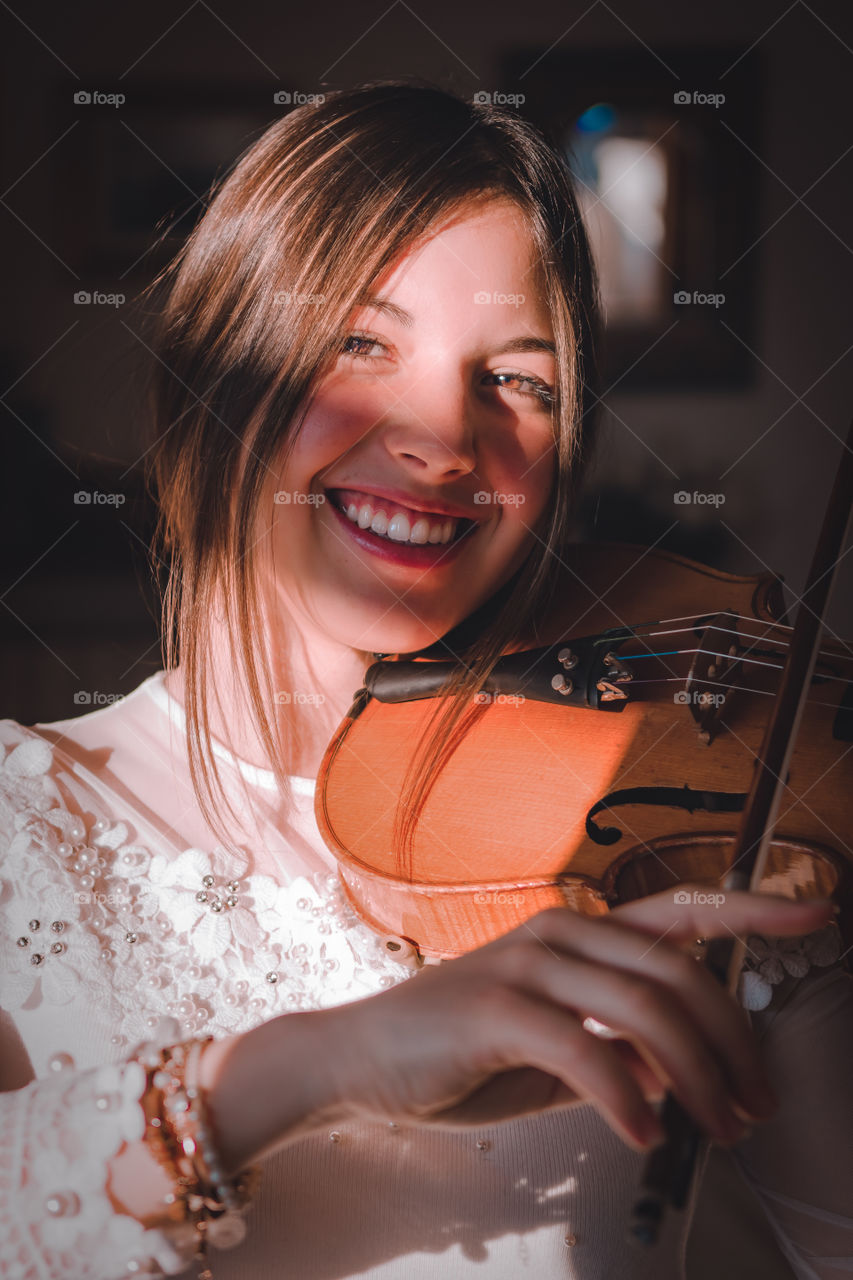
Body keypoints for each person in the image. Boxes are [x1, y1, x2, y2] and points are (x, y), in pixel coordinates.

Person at [1, 79, 851, 1280]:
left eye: (520, 381)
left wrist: (803, 959)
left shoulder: (653, 844)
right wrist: (321, 1065)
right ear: (216, 379)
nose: (447, 441)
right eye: (361, 342)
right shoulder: (24, 824)